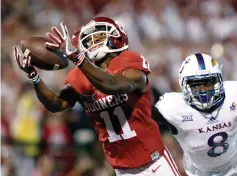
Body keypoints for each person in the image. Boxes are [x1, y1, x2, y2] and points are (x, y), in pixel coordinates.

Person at [13, 17, 180, 176]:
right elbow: (56, 104)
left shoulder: (130, 61)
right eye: (89, 40)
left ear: (116, 37)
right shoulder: (78, 76)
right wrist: (34, 76)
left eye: (98, 37)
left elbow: (113, 85)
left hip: (155, 163)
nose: (93, 43)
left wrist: (77, 58)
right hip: (123, 169)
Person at [155, 53, 237, 176]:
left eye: (207, 83)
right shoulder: (172, 107)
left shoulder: (236, 93)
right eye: (196, 85)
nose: (202, 90)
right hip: (202, 173)